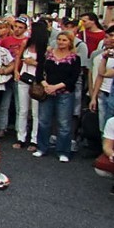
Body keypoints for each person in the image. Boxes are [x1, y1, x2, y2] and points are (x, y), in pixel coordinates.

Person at [33, 31, 81, 162]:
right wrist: (46, 86)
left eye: (64, 40)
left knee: (64, 124)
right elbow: (39, 73)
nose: (61, 42)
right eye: (59, 39)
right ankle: (42, 148)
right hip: (46, 91)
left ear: (70, 42)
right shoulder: (47, 55)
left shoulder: (75, 58)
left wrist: (56, 87)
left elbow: (73, 78)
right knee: (43, 121)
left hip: (65, 94)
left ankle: (63, 151)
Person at [13, 20, 48, 151]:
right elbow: (18, 57)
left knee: (36, 111)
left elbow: (47, 65)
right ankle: (21, 137)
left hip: (37, 80)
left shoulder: (46, 47)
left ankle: (34, 139)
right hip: (24, 77)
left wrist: (34, 63)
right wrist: (16, 71)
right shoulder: (26, 43)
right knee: (23, 110)